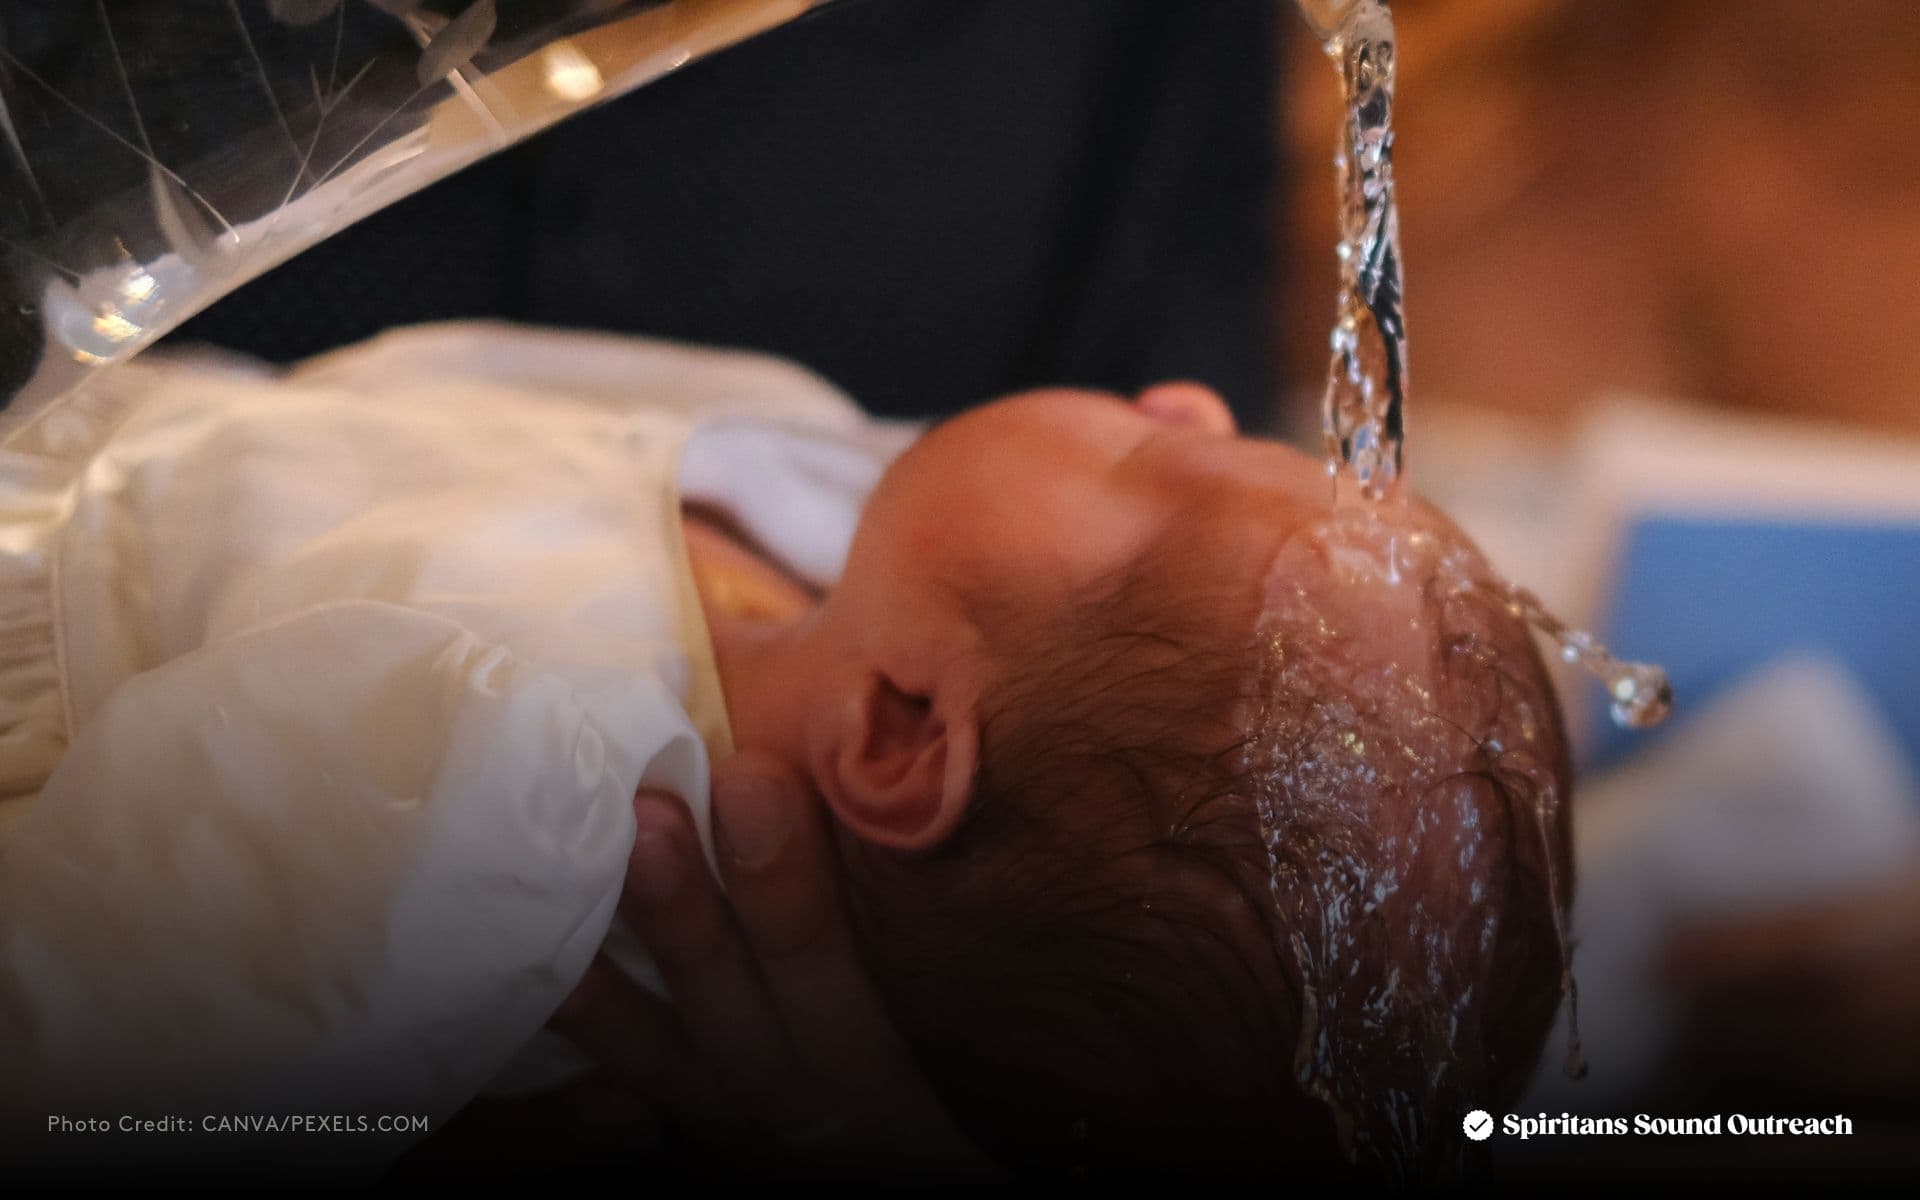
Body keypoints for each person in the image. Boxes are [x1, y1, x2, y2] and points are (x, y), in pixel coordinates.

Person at [0, 322, 1570, 1178]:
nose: (1184, 391)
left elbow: (67, 1072)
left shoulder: (481, 808)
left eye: (1171, 467)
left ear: (898, 732)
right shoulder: (839, 522)